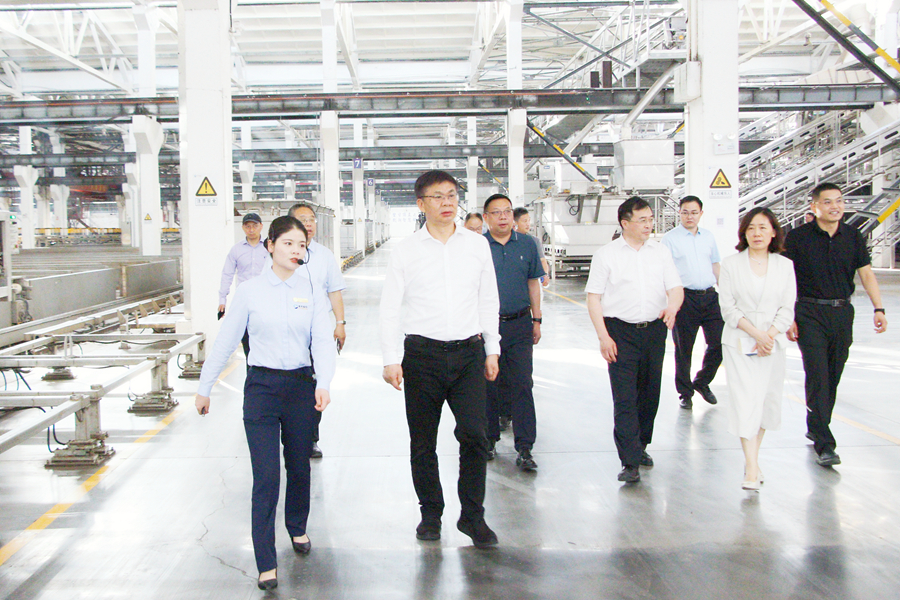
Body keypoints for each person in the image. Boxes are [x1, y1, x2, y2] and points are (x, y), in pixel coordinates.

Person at [195, 216, 336, 591]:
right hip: (262, 388)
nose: (295, 250)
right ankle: (266, 561)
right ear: (270, 246)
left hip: (301, 387)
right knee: (267, 476)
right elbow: (227, 340)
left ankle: (297, 526)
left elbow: (323, 340)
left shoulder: (311, 290)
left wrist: (323, 382)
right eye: (288, 243)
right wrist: (205, 386)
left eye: (301, 245)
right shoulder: (250, 292)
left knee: (300, 466)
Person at [380, 169, 501, 548]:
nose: (447, 203)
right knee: (423, 442)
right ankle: (430, 514)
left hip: (469, 354)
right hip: (422, 356)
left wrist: (493, 348)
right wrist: (390, 357)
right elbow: (389, 307)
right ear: (421, 204)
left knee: (475, 436)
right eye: (438, 196)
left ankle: (472, 516)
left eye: (451, 195)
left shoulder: (476, 245)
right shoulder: (406, 250)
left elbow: (488, 298)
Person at [784, 182, 888, 467]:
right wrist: (787, 315)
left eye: (839, 201)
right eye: (828, 202)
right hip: (809, 312)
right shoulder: (798, 238)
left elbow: (866, 273)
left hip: (842, 313)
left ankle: (816, 423)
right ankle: (824, 442)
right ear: (814, 206)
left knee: (832, 374)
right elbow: (785, 278)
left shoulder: (853, 236)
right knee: (817, 373)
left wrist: (878, 307)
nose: (835, 206)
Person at [586, 197, 683, 483]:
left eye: (650, 219)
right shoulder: (606, 255)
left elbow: (675, 287)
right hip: (620, 333)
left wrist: (672, 307)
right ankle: (629, 460)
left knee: (650, 393)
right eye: (642, 220)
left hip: (654, 331)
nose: (648, 225)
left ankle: (641, 446)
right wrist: (603, 337)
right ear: (625, 223)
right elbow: (593, 298)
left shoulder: (660, 252)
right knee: (625, 397)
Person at [718, 208, 796, 490]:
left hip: (772, 344)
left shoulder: (785, 266)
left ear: (773, 232)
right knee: (745, 400)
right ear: (744, 233)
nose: (757, 233)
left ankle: (753, 458)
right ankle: (751, 468)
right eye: (751, 228)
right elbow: (728, 308)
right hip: (740, 340)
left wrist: (769, 336)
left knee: (765, 402)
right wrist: (757, 335)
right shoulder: (731, 264)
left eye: (763, 228)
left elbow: (787, 308)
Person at [483, 194, 544, 471]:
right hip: (486, 327)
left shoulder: (527, 244)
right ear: (487, 218)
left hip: (520, 324)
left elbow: (533, 283)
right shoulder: (478, 246)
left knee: (522, 383)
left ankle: (525, 447)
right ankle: (489, 440)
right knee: (488, 383)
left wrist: (537, 319)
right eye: (496, 212)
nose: (503, 217)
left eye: (507, 211)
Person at [287, 203, 347, 459]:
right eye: (303, 219)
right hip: (288, 331)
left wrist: (340, 323)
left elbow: (334, 290)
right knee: (291, 384)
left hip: (317, 332)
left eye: (312, 219)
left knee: (316, 382)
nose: (309, 223)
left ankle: (310, 438)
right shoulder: (279, 254)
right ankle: (289, 434)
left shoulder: (324, 255)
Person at [661, 196, 724, 409]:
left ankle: (702, 381)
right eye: (685, 212)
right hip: (684, 299)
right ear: (679, 213)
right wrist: (670, 303)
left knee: (720, 343)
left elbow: (715, 265)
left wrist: (727, 292)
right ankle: (685, 393)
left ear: (701, 214)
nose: (690, 216)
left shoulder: (709, 237)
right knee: (684, 349)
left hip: (710, 297)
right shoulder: (670, 239)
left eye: (694, 212)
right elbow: (664, 272)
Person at [218, 212, 269, 357]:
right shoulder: (236, 250)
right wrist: (222, 300)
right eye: (248, 226)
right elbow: (227, 274)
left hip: (266, 298)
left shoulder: (269, 247)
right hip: (245, 300)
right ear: (243, 228)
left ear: (261, 226)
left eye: (254, 226)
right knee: (246, 336)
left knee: (265, 335)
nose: (251, 230)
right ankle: (250, 365)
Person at [513, 207, 551, 288]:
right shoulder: (510, 240)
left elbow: (542, 260)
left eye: (529, 220)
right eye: (524, 221)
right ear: (515, 222)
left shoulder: (534, 241)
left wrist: (545, 274)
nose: (528, 224)